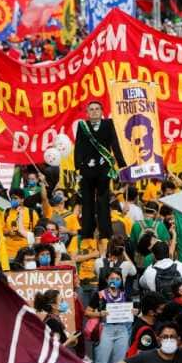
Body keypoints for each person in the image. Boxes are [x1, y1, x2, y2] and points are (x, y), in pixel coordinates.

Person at [74, 100, 126, 254]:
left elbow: (115, 144)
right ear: (87, 113)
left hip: (104, 168)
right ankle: (87, 231)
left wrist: (122, 164)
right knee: (87, 200)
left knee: (103, 200)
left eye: (97, 109)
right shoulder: (82, 126)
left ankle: (105, 231)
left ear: (102, 111)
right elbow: (79, 146)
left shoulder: (108, 124)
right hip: (87, 168)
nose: (94, 111)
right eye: (91, 109)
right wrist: (78, 165)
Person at [85, 268, 135, 363]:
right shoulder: (99, 295)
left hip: (122, 331)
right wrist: (100, 314)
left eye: (117, 278)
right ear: (107, 280)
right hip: (105, 330)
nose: (115, 281)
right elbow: (87, 312)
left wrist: (134, 312)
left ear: (121, 280)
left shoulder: (125, 295)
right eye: (112, 278)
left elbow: (130, 312)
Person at [105, 322, 182, 363]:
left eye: (172, 337)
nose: (169, 340)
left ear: (179, 340)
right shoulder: (144, 358)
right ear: (158, 340)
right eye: (165, 337)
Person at [119, 114, 164, 182]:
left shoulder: (163, 165)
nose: (142, 145)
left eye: (145, 138)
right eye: (137, 141)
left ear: (152, 136)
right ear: (131, 144)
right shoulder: (125, 173)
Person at [127, 292, 167, 357]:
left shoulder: (156, 322)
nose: (163, 312)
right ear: (151, 312)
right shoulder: (144, 332)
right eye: (161, 309)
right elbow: (147, 357)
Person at [3, 189, 39, 259]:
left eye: (15, 198)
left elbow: (37, 232)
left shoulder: (31, 212)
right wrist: (8, 232)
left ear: (22, 199)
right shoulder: (5, 212)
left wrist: (24, 233)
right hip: (9, 251)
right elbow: (1, 230)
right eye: (12, 198)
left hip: (26, 252)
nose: (13, 200)